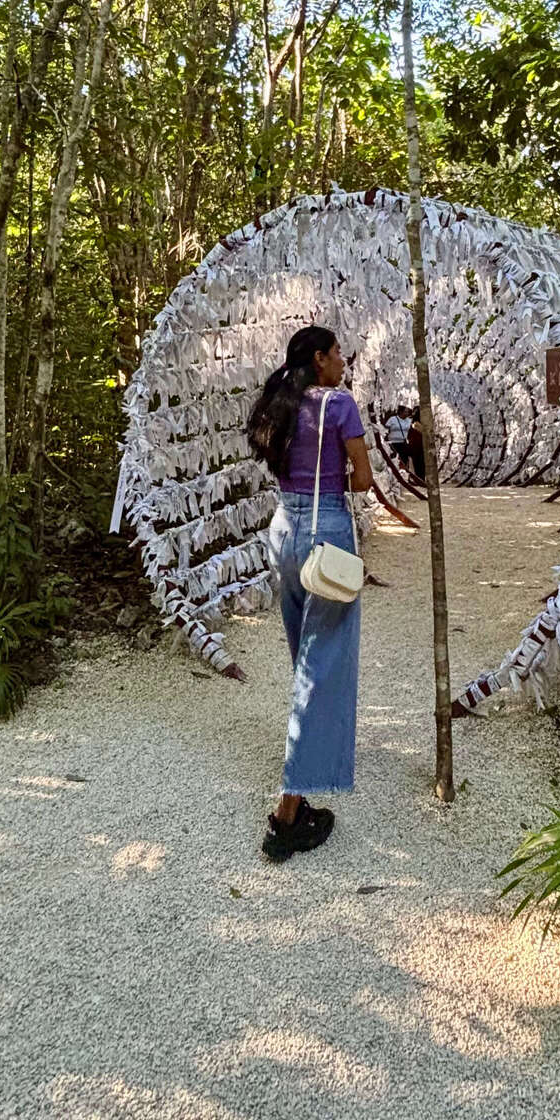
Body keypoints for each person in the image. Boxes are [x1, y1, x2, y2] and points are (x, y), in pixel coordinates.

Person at [246, 324, 373, 862]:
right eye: (338, 353)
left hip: (284, 531)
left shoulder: (280, 404)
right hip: (326, 533)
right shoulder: (338, 405)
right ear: (320, 358)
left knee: (304, 657)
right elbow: (362, 479)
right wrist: (338, 470)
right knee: (324, 663)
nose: (344, 361)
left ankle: (314, 755)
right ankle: (288, 811)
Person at [384, 403, 412, 470]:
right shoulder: (392, 419)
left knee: (404, 460)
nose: (407, 413)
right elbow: (385, 429)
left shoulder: (409, 420)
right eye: (405, 412)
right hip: (393, 443)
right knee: (394, 459)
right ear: (401, 412)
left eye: (407, 411)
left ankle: (404, 471)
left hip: (403, 443)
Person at [405, 404, 426, 481]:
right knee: (420, 463)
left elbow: (408, 434)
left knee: (417, 463)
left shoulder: (412, 422)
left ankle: (419, 479)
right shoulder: (420, 422)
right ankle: (420, 479)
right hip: (419, 446)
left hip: (416, 445)